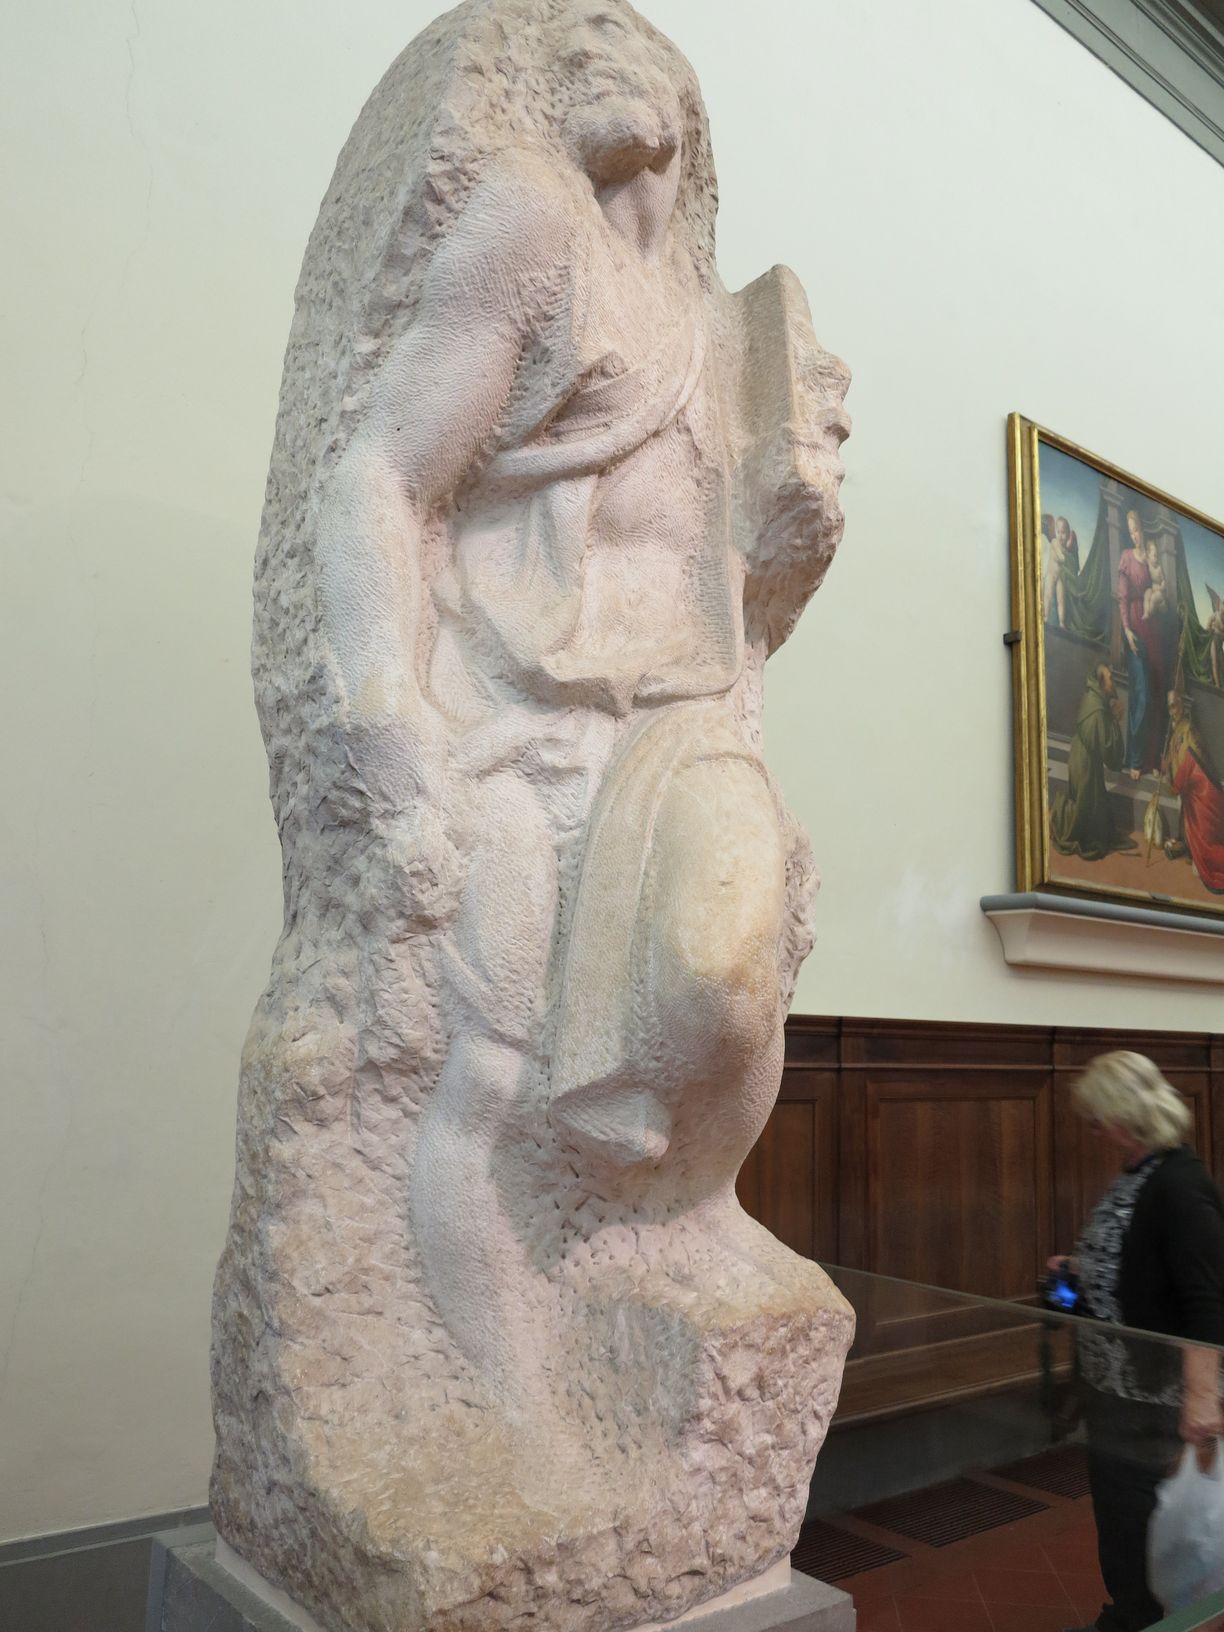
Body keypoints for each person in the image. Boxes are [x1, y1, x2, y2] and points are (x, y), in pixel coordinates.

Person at [1050, 1052, 1224, 1632]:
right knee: (1122, 1521)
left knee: (1151, 1525)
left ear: (1125, 1116)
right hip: (1117, 1394)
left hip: (1157, 1400)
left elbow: (1206, 1300)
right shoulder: (1139, 1171)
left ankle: (1150, 1619)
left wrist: (1202, 1398)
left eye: (1097, 1119)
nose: (1093, 1131)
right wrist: (1080, 1272)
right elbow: (1139, 1263)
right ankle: (1128, 1615)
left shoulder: (1180, 1185)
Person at [1051, 664, 1135, 859]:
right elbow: (1109, 750)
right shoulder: (1096, 708)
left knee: (1095, 807)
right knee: (1086, 814)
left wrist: (1111, 717)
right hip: (1084, 762)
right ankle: (1057, 817)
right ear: (1101, 683)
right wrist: (1115, 721)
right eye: (1110, 678)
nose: (1113, 682)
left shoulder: (1096, 699)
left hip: (1084, 757)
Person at [1163, 690, 1224, 891]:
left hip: (1202, 795)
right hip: (1189, 794)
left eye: (1175, 705)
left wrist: (1176, 786)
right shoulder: (1175, 732)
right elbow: (1173, 760)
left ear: (1182, 704)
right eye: (1169, 707)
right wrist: (1166, 765)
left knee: (1204, 863)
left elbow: (1191, 764)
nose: (1172, 711)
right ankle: (1188, 848)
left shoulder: (1188, 730)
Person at [1117, 509, 1154, 780]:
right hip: (1134, 630)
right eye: (1131, 532)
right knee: (1140, 694)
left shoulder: (1150, 558)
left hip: (1150, 629)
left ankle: (1138, 757)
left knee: (1146, 693)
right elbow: (1122, 597)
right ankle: (1134, 759)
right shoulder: (1127, 557)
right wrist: (1127, 631)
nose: (1134, 536)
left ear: (1143, 528)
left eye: (1137, 530)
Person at [1044, 514, 1076, 629]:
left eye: (1063, 533)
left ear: (1067, 535)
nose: (1061, 536)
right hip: (1051, 575)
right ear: (1055, 532)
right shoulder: (1054, 542)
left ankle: (1061, 623)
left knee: (1061, 600)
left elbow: (1067, 555)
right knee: (1048, 595)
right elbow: (1060, 556)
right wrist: (1064, 556)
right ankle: (1045, 617)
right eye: (1058, 532)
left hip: (1060, 578)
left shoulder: (1064, 548)